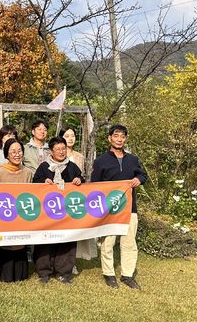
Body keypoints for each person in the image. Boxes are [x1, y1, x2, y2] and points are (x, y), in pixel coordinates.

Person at [91, 124, 147, 290]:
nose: (119, 139)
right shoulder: (101, 161)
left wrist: (139, 179)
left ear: (125, 139)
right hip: (109, 209)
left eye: (122, 136)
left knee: (129, 242)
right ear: (110, 138)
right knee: (108, 242)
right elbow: (94, 185)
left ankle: (127, 275)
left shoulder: (133, 159)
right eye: (116, 136)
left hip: (130, 208)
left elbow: (142, 174)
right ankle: (109, 274)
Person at [32, 136, 83, 284]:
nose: (61, 152)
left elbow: (82, 181)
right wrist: (43, 182)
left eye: (63, 149)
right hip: (47, 212)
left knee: (66, 240)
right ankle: (44, 272)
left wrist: (79, 180)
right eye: (57, 149)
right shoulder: (43, 167)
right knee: (45, 241)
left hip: (67, 213)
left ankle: (64, 272)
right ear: (51, 151)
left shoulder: (72, 167)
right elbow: (35, 184)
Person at [0, 138, 32, 282]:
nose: (17, 154)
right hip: (3, 218)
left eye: (19, 151)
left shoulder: (28, 173)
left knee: (20, 243)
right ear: (7, 154)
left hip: (21, 219)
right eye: (13, 151)